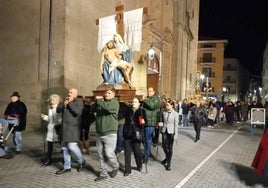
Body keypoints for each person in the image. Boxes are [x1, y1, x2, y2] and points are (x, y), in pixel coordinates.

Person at [91, 85, 120, 182]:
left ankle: (116, 166)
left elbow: (107, 108)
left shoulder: (115, 103)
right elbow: (92, 110)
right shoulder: (101, 103)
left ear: (113, 94)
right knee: (101, 155)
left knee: (109, 153)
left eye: (109, 93)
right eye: (105, 93)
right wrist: (96, 102)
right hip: (100, 133)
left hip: (110, 133)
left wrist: (99, 101)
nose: (106, 94)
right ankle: (103, 174)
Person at [55, 88, 85, 175]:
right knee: (65, 148)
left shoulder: (79, 102)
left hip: (73, 129)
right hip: (64, 129)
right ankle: (67, 167)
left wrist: (70, 103)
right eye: (69, 92)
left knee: (72, 146)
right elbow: (57, 110)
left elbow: (77, 112)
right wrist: (64, 104)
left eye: (71, 92)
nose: (69, 94)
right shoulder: (65, 101)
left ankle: (82, 161)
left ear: (76, 94)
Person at [123, 97, 147, 176]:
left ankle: (139, 165)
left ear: (139, 104)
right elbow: (121, 116)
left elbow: (145, 123)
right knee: (127, 152)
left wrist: (143, 122)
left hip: (136, 134)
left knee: (137, 151)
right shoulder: (128, 110)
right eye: (133, 102)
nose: (134, 103)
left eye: (135, 102)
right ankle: (127, 170)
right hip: (127, 133)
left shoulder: (141, 111)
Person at [41, 94, 62, 166]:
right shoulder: (51, 108)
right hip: (50, 129)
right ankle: (48, 159)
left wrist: (53, 109)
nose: (51, 101)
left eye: (53, 100)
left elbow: (58, 120)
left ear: (57, 101)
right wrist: (45, 117)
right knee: (49, 145)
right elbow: (51, 119)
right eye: (51, 100)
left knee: (62, 145)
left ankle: (65, 159)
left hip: (57, 129)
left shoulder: (58, 108)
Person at [158, 99, 179, 171]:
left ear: (172, 106)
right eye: (166, 105)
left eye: (168, 105)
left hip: (171, 132)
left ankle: (168, 164)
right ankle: (167, 158)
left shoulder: (175, 114)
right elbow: (163, 121)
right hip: (164, 131)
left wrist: (176, 134)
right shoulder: (164, 113)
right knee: (164, 146)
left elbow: (176, 125)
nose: (166, 106)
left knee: (170, 148)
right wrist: (161, 123)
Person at [142, 87, 160, 162]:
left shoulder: (156, 99)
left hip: (151, 122)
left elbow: (152, 106)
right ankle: (147, 152)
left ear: (154, 92)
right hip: (145, 121)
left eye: (150, 91)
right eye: (148, 91)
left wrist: (145, 99)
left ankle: (146, 156)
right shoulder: (148, 99)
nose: (149, 92)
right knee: (144, 139)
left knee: (148, 140)